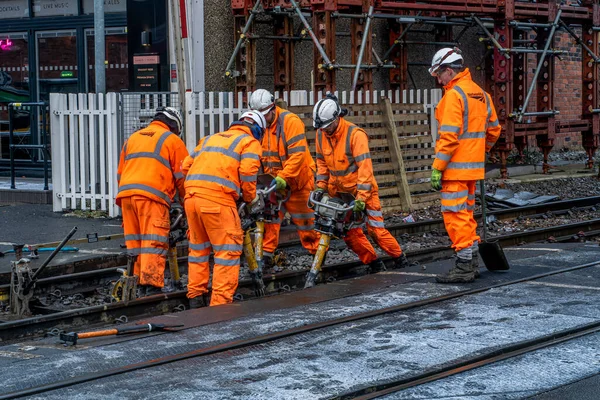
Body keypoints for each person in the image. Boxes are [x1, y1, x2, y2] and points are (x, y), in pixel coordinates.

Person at [312, 93, 409, 272]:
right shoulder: (321, 135)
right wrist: (320, 187)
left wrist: (361, 198)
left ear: (336, 118)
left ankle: (399, 258)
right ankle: (373, 263)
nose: (324, 130)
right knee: (349, 234)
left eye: (327, 127)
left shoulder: (355, 135)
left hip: (363, 192)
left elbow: (365, 169)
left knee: (376, 230)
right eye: (322, 128)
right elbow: (322, 164)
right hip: (340, 193)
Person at [428, 47, 502, 283]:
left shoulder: (453, 96)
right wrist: (481, 151)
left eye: (439, 75)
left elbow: (449, 137)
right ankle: (471, 261)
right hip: (473, 169)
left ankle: (463, 267)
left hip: (454, 170)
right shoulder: (480, 93)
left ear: (449, 71)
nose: (438, 80)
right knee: (466, 215)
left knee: (454, 215)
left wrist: (438, 167)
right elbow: (494, 130)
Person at [182, 111, 264, 307]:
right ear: (259, 130)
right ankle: (219, 306)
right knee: (227, 251)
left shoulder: (210, 138)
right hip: (217, 200)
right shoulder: (250, 142)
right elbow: (247, 172)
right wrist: (250, 198)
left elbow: (186, 166)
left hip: (192, 198)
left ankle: (195, 297)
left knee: (198, 249)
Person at [116, 107, 189, 296]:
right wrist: (186, 204)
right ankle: (151, 285)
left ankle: (137, 282)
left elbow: (120, 172)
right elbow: (182, 178)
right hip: (152, 197)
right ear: (174, 126)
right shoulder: (173, 140)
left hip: (126, 195)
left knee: (135, 242)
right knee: (153, 241)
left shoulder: (133, 138)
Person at [249, 89, 320, 267]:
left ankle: (317, 256)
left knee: (307, 224)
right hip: (274, 184)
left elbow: (298, 155)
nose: (263, 120)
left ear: (272, 109)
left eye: (265, 115)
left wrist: (283, 177)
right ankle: (265, 256)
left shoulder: (290, 122)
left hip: (297, 183)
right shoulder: (258, 126)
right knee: (270, 221)